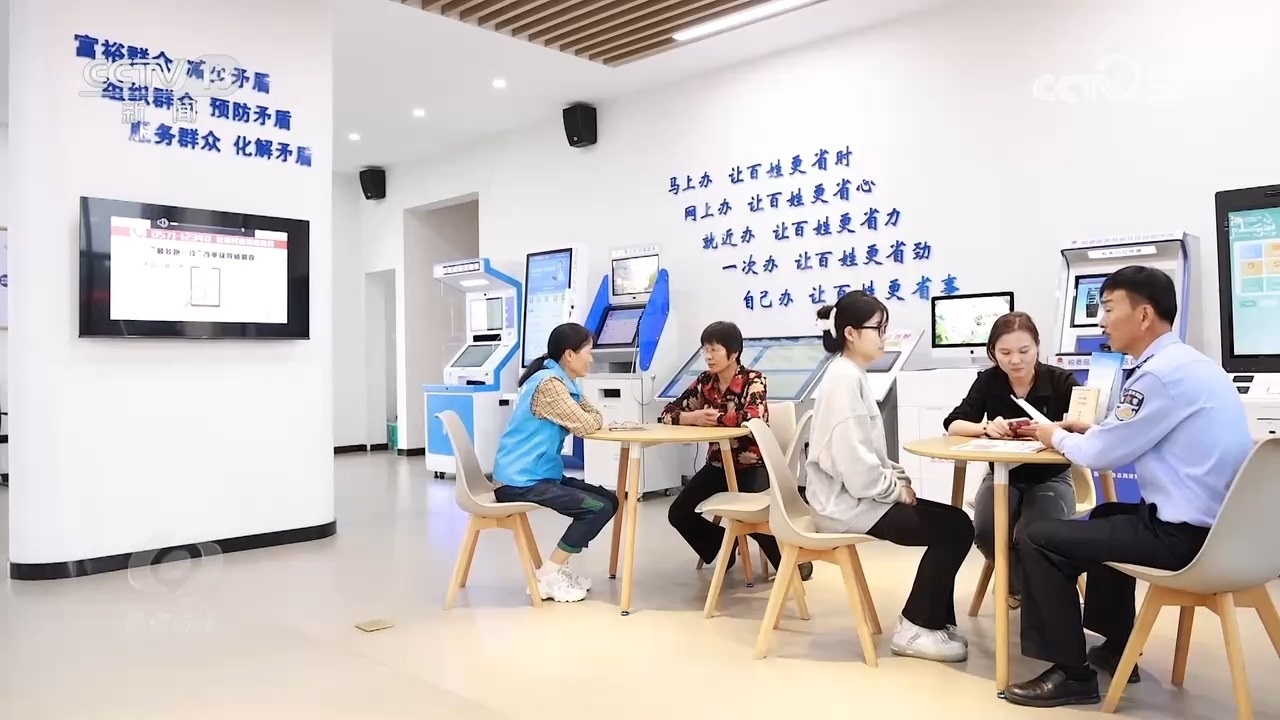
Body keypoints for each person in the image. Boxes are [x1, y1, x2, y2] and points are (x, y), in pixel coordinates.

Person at [1003, 266, 1253, 708]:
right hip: (1226, 535)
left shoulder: (1156, 376)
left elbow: (1102, 455)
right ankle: (1118, 646)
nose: (1101, 321)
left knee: (1036, 537)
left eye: (1108, 308)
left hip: (1185, 540)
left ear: (1143, 315)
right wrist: (1095, 430)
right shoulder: (1191, 365)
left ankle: (1072, 674)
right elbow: (1135, 434)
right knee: (1107, 515)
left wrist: (1053, 435)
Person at [806, 291, 975, 663]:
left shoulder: (851, 375)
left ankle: (931, 622)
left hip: (858, 497)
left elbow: (874, 456)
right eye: (878, 329)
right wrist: (896, 492)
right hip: (845, 506)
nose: (885, 337)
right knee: (955, 528)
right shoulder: (843, 381)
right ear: (851, 333)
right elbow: (857, 469)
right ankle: (915, 628)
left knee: (957, 520)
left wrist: (899, 481)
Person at [944, 312, 1080, 608]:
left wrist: (1054, 431)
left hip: (1050, 477)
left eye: (1024, 351)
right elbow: (953, 424)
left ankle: (1034, 594)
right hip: (1002, 475)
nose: (1015, 360)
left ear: (1037, 348)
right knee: (986, 532)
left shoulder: (1061, 381)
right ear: (993, 352)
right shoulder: (989, 381)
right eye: (1005, 353)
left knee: (1036, 534)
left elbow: (1084, 427)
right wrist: (985, 428)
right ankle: (1023, 588)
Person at [661, 321, 813, 581]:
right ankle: (723, 546)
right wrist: (692, 417)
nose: (708, 356)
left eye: (714, 350)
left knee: (754, 516)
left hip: (752, 464)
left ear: (733, 353)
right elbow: (668, 412)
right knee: (679, 513)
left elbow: (754, 417)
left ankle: (796, 561)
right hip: (717, 465)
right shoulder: (704, 382)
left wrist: (715, 418)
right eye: (705, 350)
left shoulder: (754, 380)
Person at [491, 322, 619, 604]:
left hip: (539, 475)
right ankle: (548, 575)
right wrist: (592, 418)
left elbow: (592, 416)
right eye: (588, 352)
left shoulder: (562, 381)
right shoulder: (549, 384)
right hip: (520, 481)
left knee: (609, 500)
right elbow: (587, 424)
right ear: (569, 354)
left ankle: (557, 569)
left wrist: (592, 418)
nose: (591, 358)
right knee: (597, 508)